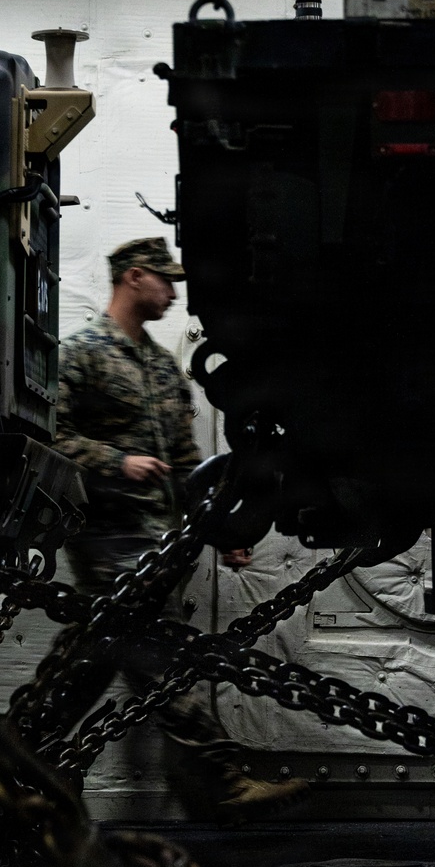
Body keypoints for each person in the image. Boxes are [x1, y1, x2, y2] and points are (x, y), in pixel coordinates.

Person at [54, 235, 309, 819]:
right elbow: (54, 435)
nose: (173, 293)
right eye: (165, 280)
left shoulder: (162, 367)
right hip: (109, 533)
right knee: (155, 656)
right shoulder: (84, 352)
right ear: (133, 277)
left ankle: (34, 761)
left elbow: (190, 465)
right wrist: (115, 461)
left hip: (162, 538)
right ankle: (216, 781)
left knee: (98, 656)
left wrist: (223, 529)